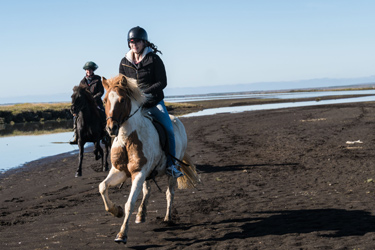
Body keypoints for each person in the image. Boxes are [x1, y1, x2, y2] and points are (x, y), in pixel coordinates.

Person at [119, 26, 184, 178]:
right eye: (132, 42)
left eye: (138, 42)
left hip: (154, 103)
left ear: (145, 43)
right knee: (119, 129)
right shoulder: (124, 62)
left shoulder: (154, 59)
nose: (135, 45)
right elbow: (122, 84)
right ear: (129, 43)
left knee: (168, 129)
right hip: (136, 106)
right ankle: (123, 163)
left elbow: (162, 82)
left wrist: (145, 93)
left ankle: (171, 165)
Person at [70, 61, 104, 144]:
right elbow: (79, 93)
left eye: (90, 70)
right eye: (87, 70)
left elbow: (101, 92)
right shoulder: (82, 82)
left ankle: (105, 134)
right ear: (85, 70)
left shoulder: (98, 79)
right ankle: (76, 136)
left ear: (93, 70)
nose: (89, 71)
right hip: (85, 105)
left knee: (103, 113)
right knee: (76, 117)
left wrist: (94, 98)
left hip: (96, 103)